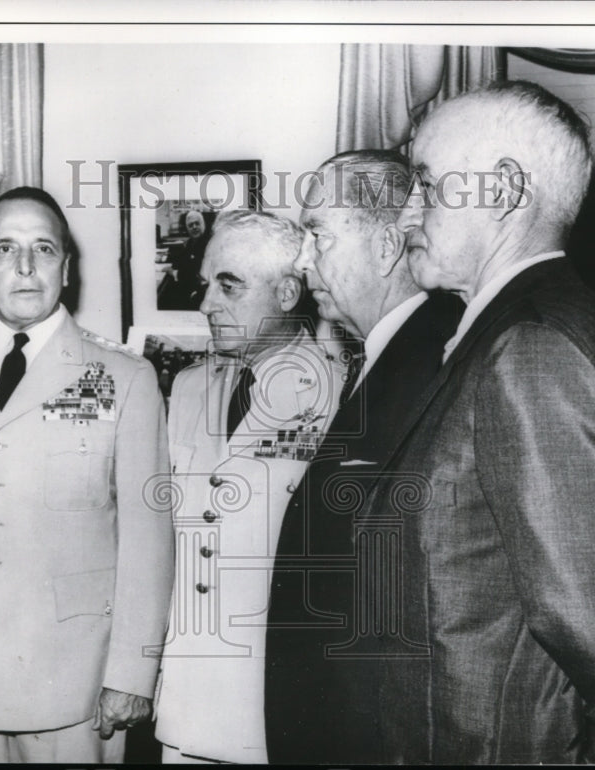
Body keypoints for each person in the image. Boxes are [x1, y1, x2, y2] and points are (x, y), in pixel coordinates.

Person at [366, 81, 595, 763]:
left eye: (428, 186)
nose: (408, 215)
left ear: (500, 192)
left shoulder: (532, 348)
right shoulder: (538, 323)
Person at [0, 186, 174, 763]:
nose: (24, 266)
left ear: (66, 266)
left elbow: (149, 538)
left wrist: (132, 673)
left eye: (43, 249)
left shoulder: (125, 376)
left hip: (72, 676)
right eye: (4, 249)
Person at [264, 150, 465, 764]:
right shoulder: (390, 354)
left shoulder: (439, 359)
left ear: (385, 247)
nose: (303, 260)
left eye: (317, 233)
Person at [153, 210, 345, 764]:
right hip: (190, 697)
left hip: (279, 700)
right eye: (206, 285)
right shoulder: (189, 387)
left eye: (228, 285)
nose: (207, 303)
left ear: (288, 292)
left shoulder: (341, 394)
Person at [164, 210, 210, 310]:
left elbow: (193, 272)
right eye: (190, 225)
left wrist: (174, 272)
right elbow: (183, 258)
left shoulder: (206, 244)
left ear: (202, 224)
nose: (194, 227)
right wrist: (168, 261)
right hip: (190, 287)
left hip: (199, 292)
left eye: (197, 223)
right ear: (187, 228)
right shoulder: (191, 242)